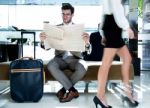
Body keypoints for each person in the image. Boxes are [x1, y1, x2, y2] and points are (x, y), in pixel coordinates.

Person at [39, 3, 90, 103]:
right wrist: (42, 41)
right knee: (51, 65)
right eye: (63, 14)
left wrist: (87, 43)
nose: (65, 16)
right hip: (60, 58)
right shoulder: (55, 28)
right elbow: (46, 47)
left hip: (75, 59)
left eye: (67, 14)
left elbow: (87, 50)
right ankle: (73, 91)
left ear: (72, 15)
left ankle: (63, 90)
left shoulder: (79, 29)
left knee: (83, 67)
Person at [93, 0, 139, 108]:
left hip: (112, 26)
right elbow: (116, 8)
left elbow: (105, 11)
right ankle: (100, 96)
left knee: (127, 58)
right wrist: (127, 27)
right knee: (106, 63)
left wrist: (102, 32)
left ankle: (126, 92)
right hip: (113, 26)